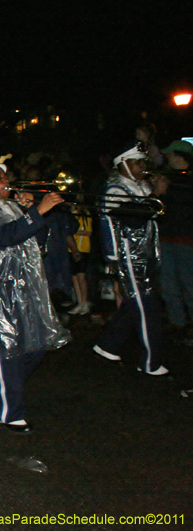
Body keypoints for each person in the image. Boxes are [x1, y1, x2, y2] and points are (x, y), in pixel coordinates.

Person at [0, 156, 70, 434]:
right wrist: (37, 213)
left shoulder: (11, 207)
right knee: (6, 350)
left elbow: (37, 241)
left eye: (5, 176)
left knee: (37, 343)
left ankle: (1, 382)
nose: (6, 181)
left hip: (23, 283)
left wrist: (33, 211)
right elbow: (1, 238)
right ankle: (9, 414)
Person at [93, 144, 168, 375]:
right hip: (129, 258)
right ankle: (150, 363)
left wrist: (156, 191)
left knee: (134, 303)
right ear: (123, 165)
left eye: (143, 162)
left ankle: (107, 345)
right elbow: (134, 219)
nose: (143, 167)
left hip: (146, 255)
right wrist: (156, 194)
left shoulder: (142, 186)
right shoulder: (115, 190)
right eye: (138, 163)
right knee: (147, 307)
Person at [156, 140, 193, 337]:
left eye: (170, 155)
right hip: (166, 236)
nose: (167, 158)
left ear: (179, 156)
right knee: (168, 282)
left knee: (189, 283)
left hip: (186, 238)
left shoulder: (186, 180)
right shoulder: (168, 178)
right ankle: (176, 321)